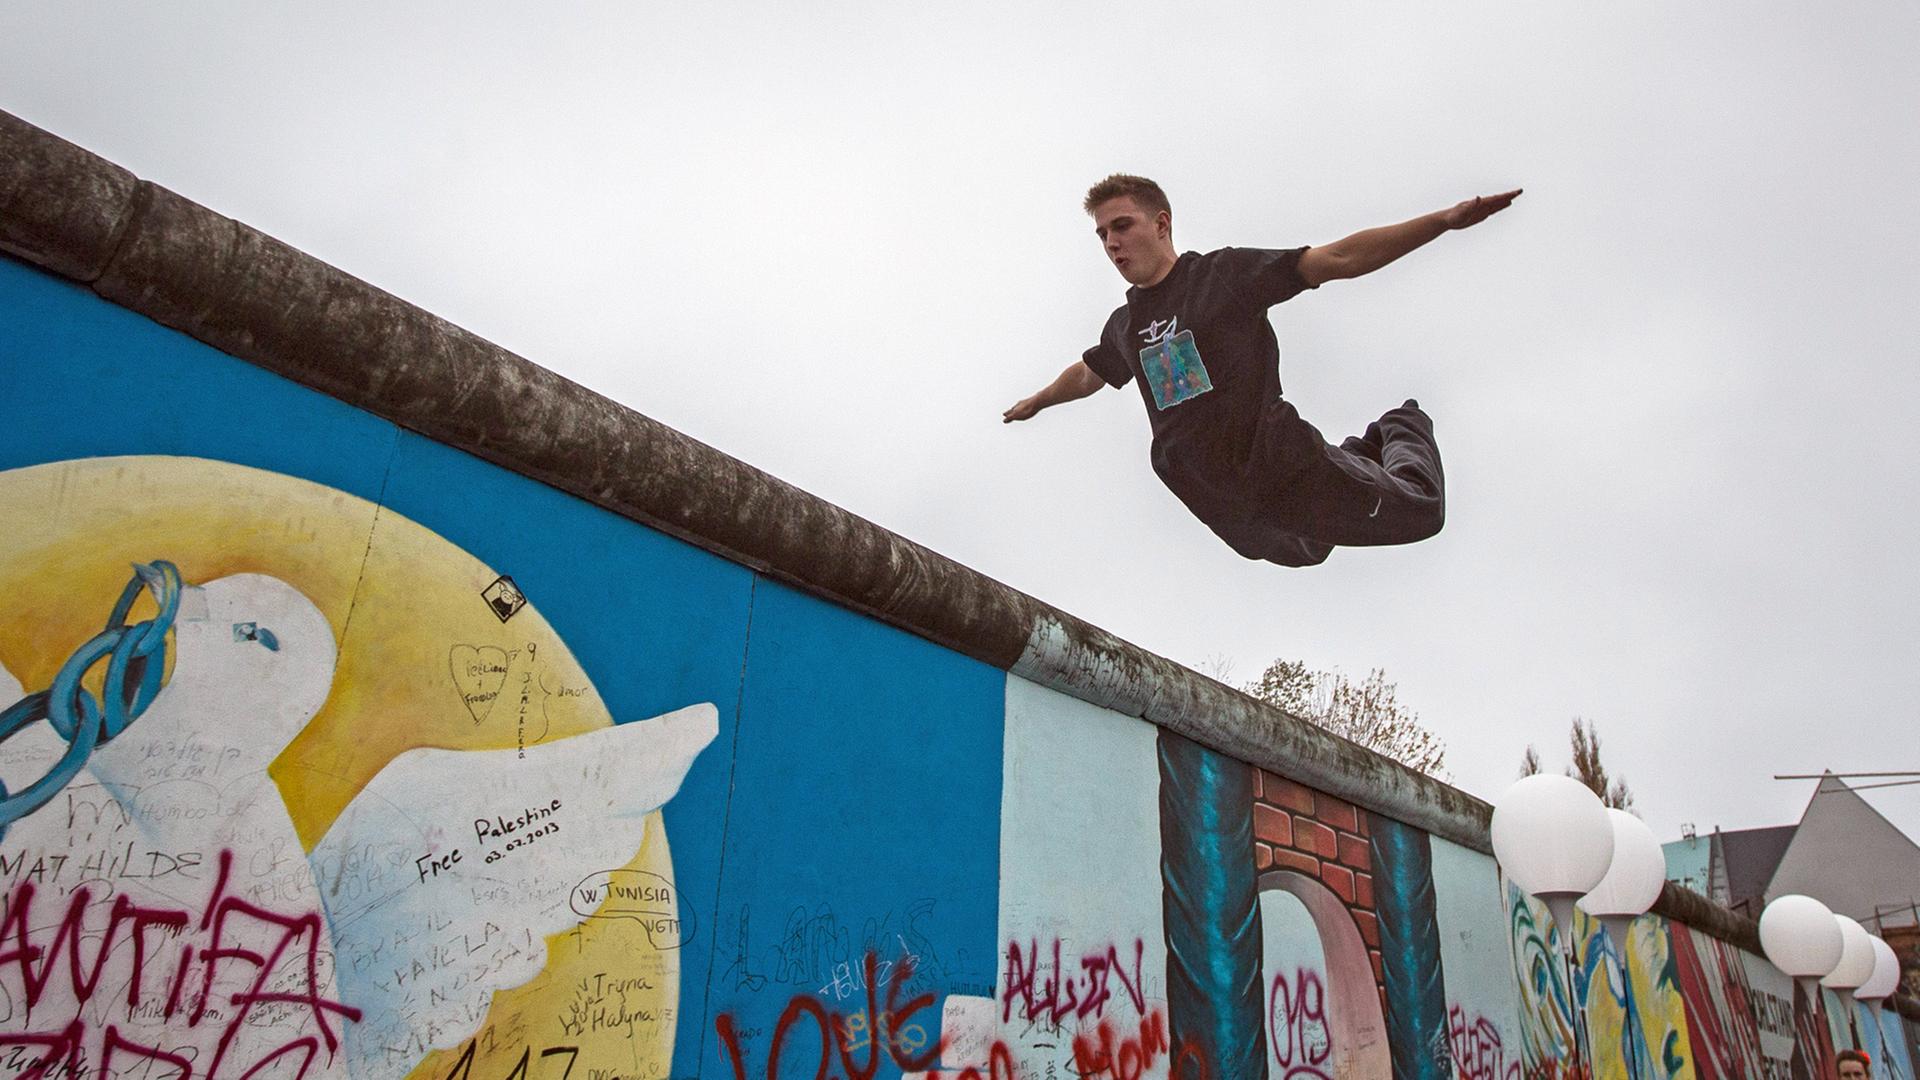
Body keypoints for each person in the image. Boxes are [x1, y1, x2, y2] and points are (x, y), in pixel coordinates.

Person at [1004, 174, 1519, 567]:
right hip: (1215, 493)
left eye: (1122, 227)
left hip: (1281, 467)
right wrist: (1039, 400)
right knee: (1307, 551)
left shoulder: (1223, 277)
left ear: (1161, 224)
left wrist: (1441, 222)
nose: (1111, 244)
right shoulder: (1125, 325)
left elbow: (1337, 258)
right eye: (1101, 236)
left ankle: (1400, 423)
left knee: (1422, 513)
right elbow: (1090, 373)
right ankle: (1355, 458)